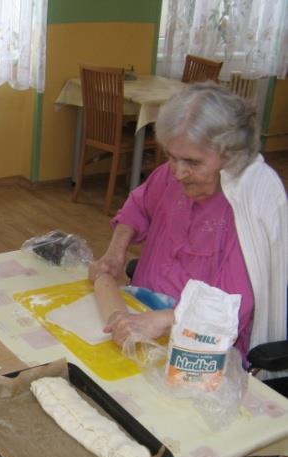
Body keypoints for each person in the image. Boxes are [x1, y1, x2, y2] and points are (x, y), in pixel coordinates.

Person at [89, 82, 287, 360]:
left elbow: (229, 307)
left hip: (202, 346)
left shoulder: (248, 204)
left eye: (193, 163)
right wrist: (115, 251)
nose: (179, 173)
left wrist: (164, 320)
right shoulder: (169, 175)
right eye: (172, 157)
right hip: (142, 315)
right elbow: (138, 207)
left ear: (231, 156)